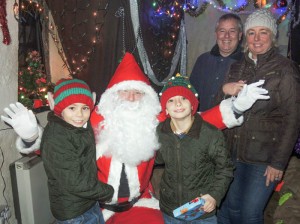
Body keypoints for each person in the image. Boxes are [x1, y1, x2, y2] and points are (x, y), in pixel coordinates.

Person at [2, 53, 269, 224]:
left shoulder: (153, 122)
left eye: (138, 93)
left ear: (148, 100)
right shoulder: (90, 121)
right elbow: (53, 149)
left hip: (142, 201)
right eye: (125, 92)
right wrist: (31, 136)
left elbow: (197, 120)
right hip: (94, 206)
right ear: (110, 97)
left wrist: (236, 107)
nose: (131, 99)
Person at [217, 9, 300, 224]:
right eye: (252, 33)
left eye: (263, 32)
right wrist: (225, 89)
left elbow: (293, 119)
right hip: (233, 152)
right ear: (246, 37)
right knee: (229, 209)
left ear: (272, 36)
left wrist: (279, 163)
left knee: (250, 213)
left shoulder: (285, 69)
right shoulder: (236, 66)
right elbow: (222, 108)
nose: (257, 38)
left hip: (265, 158)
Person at [2, 79, 114, 223]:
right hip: (74, 213)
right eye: (72, 108)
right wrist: (109, 192)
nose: (79, 115)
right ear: (60, 108)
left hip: (88, 202)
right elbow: (75, 182)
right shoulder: (57, 136)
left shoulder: (78, 127)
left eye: (85, 107)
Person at [155, 74, 234, 224]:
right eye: (171, 100)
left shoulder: (210, 134)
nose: (178, 104)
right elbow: (154, 159)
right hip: (170, 209)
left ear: (192, 105)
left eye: (183, 98)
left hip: (201, 210)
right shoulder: (160, 132)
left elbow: (225, 169)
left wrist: (214, 195)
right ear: (165, 109)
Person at [190, 13, 243, 112]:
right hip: (201, 122)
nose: (226, 36)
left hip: (229, 125)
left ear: (240, 35)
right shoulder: (202, 60)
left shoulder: (246, 63)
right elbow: (191, 93)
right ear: (216, 34)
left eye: (232, 31)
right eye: (222, 31)